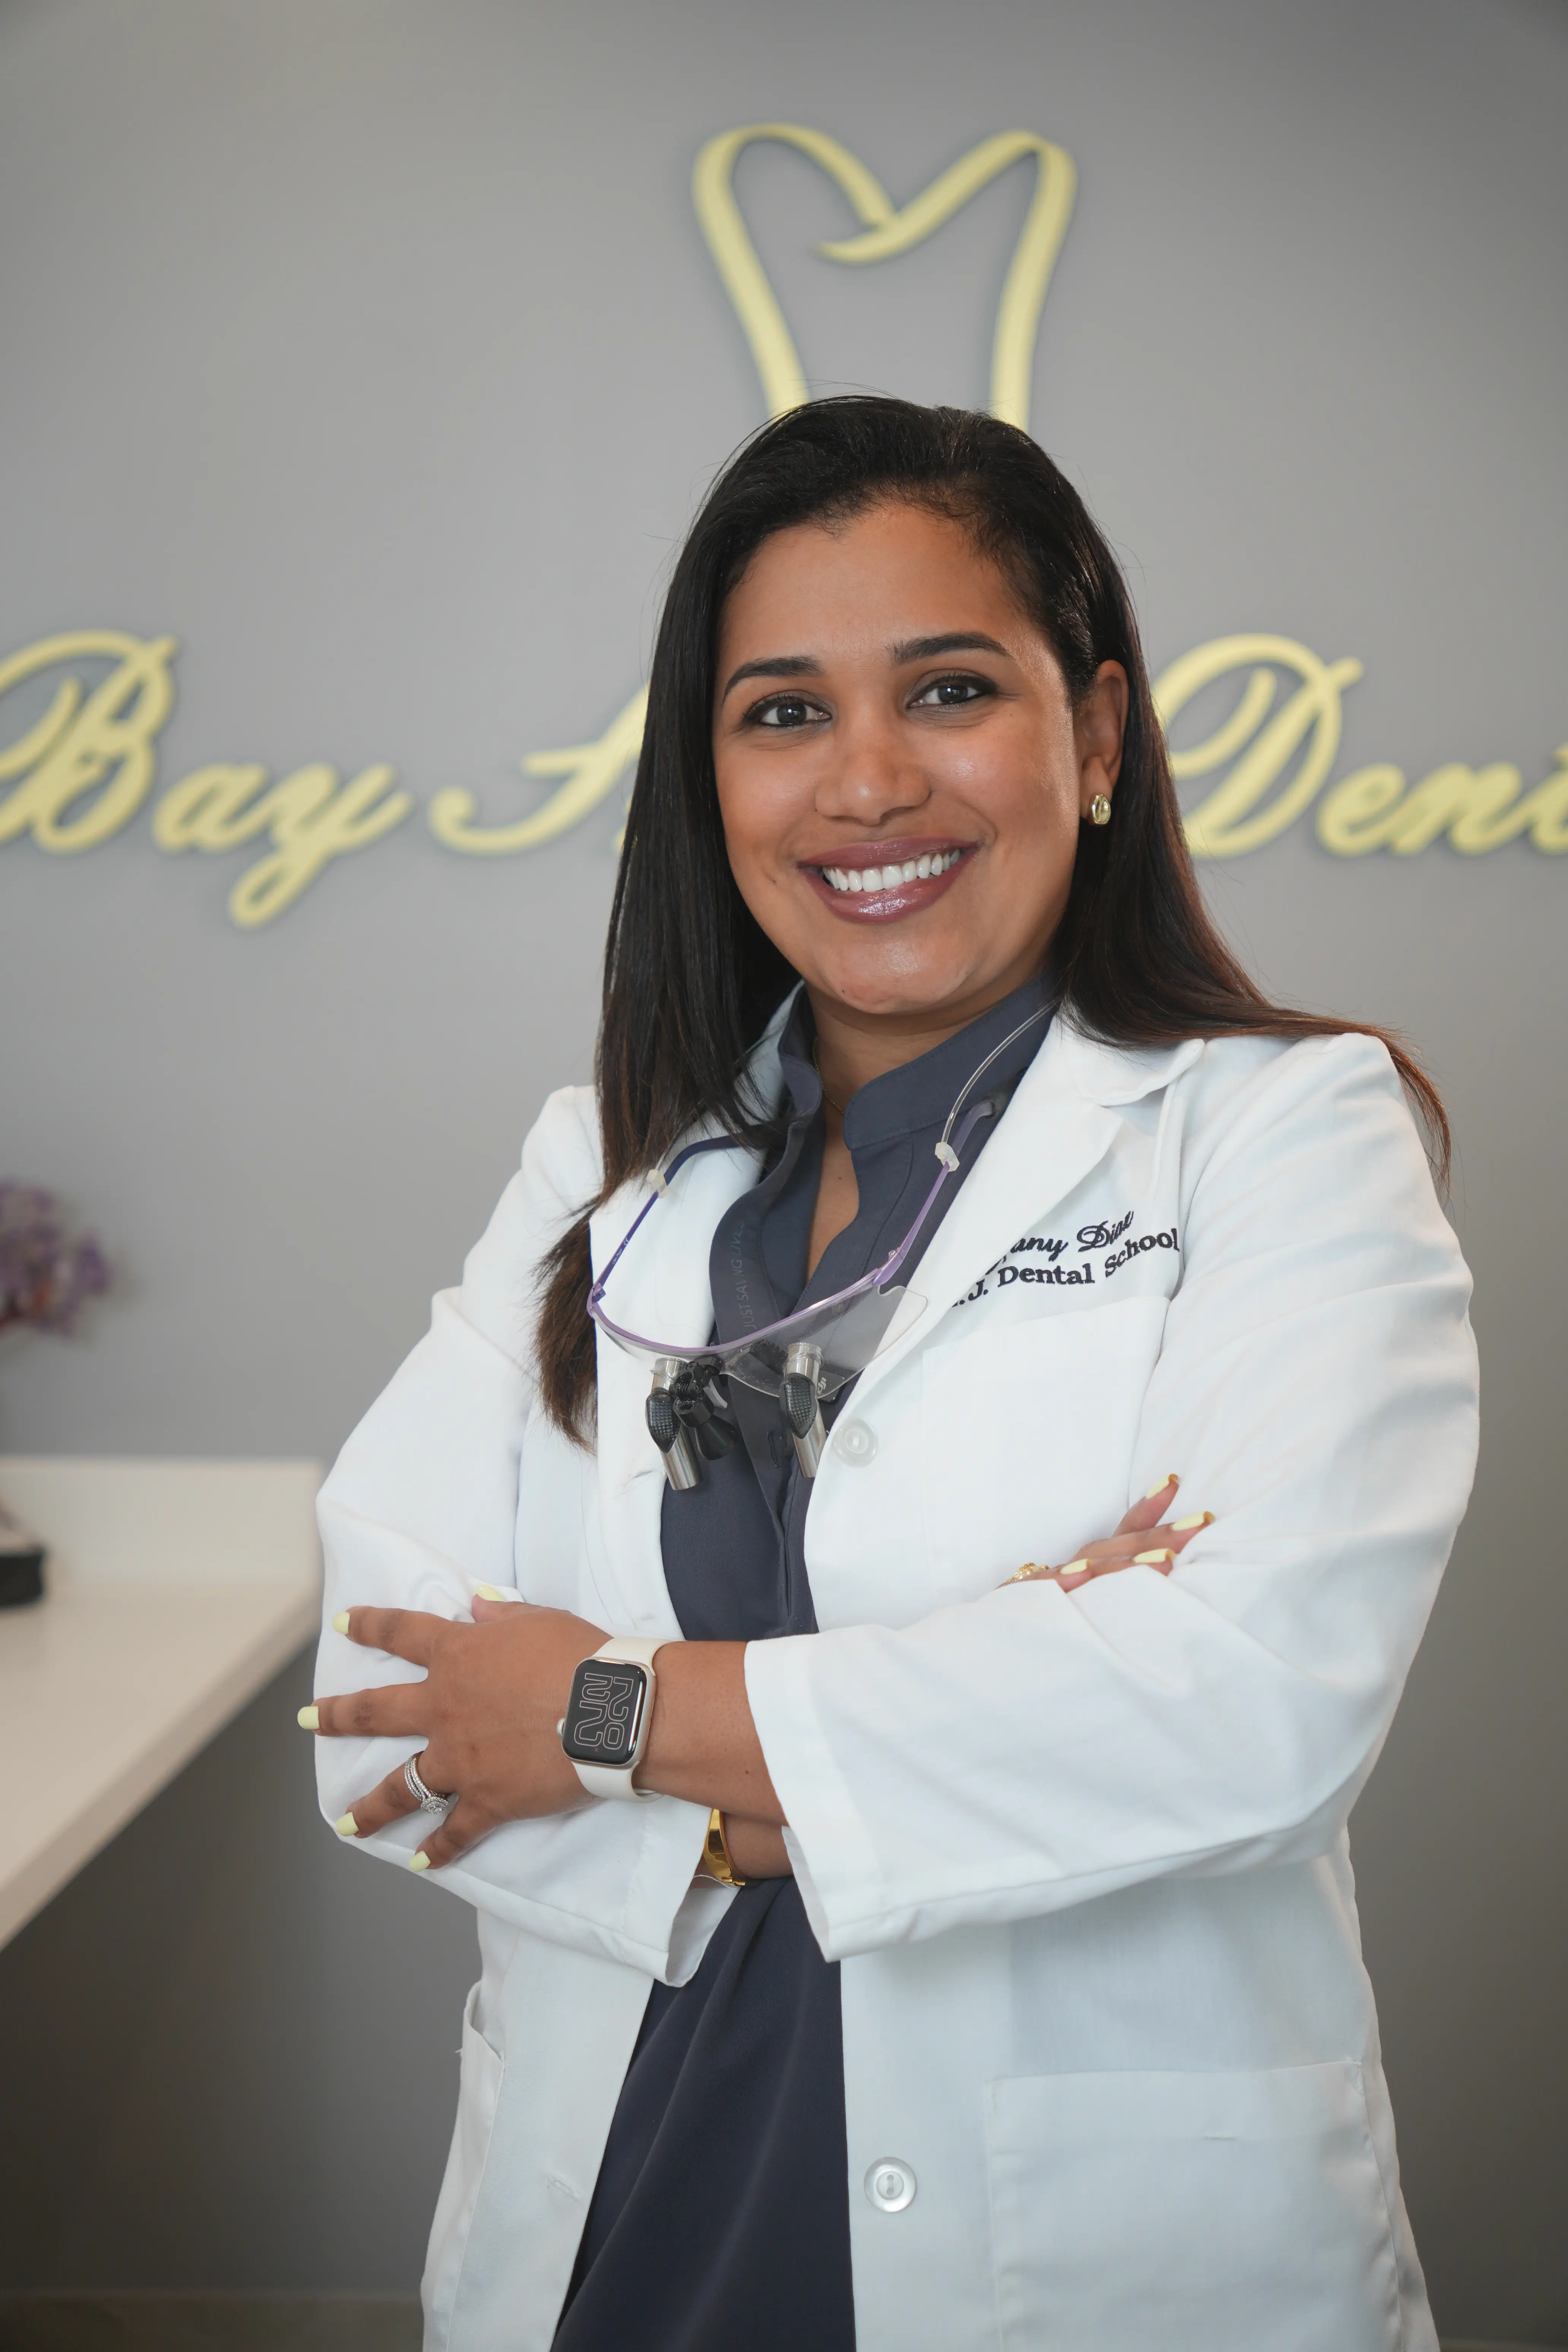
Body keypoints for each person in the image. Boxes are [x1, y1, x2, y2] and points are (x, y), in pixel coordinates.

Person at [306, 397, 1477, 2352]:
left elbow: (1253, 1701)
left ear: (1093, 738)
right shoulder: (599, 1166)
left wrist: (595, 1711)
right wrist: (1012, 1673)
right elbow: (386, 1696)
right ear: (709, 776)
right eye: (781, 713)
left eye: (948, 690)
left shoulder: (1283, 1131)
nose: (867, 783)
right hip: (630, 2210)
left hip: (1098, 2264)